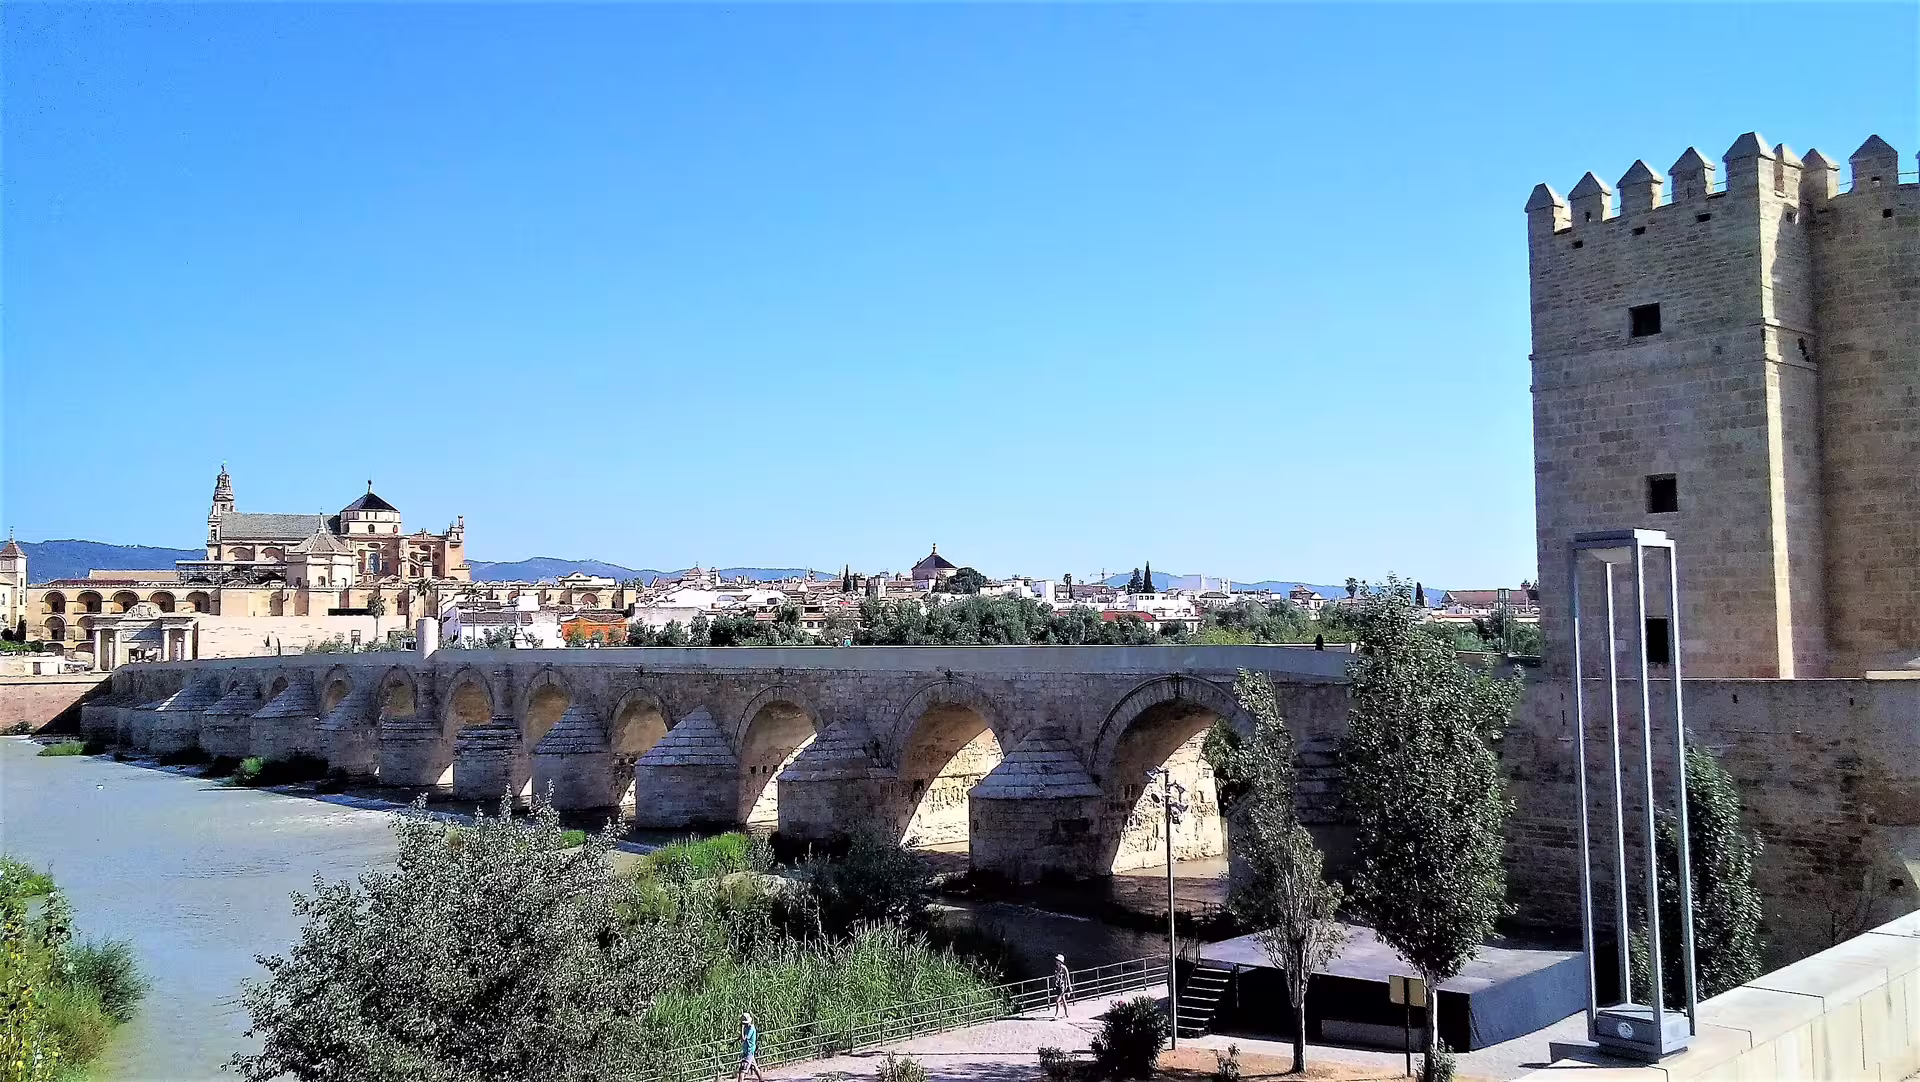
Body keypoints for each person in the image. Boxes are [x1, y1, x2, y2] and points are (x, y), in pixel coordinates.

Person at [736, 1012, 765, 1082]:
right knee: (755, 1067)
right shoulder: (747, 1027)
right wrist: (734, 1041)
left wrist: (741, 1028)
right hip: (749, 1051)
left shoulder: (751, 1028)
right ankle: (762, 1080)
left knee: (742, 1070)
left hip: (749, 1051)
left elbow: (744, 1039)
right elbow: (741, 1037)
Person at [1050, 954, 1072, 1019]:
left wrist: (1069, 986)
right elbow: (1055, 977)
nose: (1056, 961)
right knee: (1063, 999)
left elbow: (1067, 977)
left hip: (1063, 987)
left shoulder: (1064, 968)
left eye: (1057, 960)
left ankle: (1056, 1014)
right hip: (1058, 986)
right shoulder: (1056, 968)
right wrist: (1053, 984)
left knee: (1057, 1000)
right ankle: (1066, 1013)